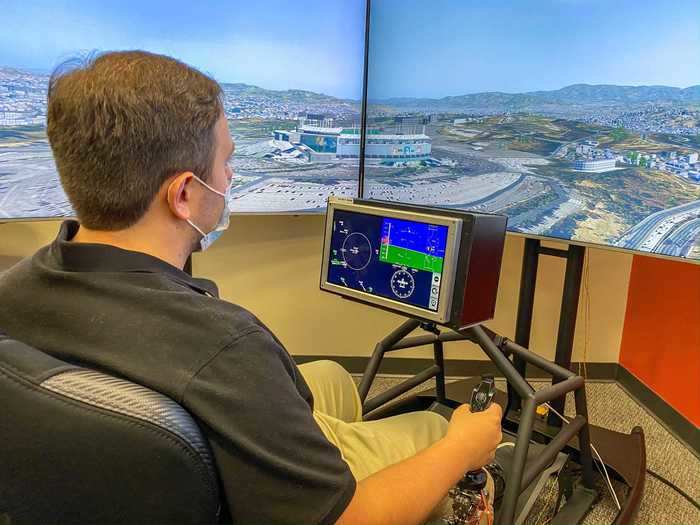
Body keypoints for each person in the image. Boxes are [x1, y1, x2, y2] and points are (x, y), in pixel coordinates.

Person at [0, 51, 501, 525]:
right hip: (248, 492)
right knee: (441, 430)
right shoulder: (225, 346)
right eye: (225, 162)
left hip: (106, 469)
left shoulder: (14, 288)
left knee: (330, 378)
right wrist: (463, 447)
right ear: (184, 194)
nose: (231, 175)